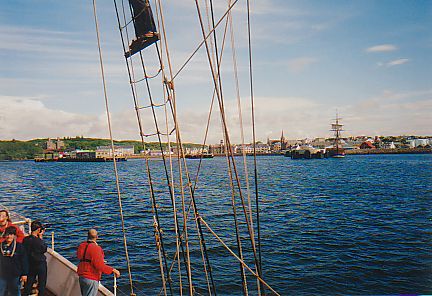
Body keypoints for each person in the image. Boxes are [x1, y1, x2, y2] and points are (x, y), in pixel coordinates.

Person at [77, 229, 120, 296]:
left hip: (82, 276)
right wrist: (112, 270)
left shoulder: (81, 246)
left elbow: (81, 257)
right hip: (91, 277)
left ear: (87, 236)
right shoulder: (96, 248)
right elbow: (99, 266)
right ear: (97, 237)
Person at [0, 226, 28, 296]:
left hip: (15, 274)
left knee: (15, 291)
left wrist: (24, 274)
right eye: (7, 234)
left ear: (14, 236)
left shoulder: (19, 247)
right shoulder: (0, 246)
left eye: (11, 234)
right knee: (1, 291)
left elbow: (24, 261)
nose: (9, 236)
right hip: (2, 274)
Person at [22, 221, 47, 296]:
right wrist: (41, 237)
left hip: (30, 264)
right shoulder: (38, 241)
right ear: (39, 230)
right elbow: (44, 249)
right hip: (40, 264)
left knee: (29, 283)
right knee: (42, 284)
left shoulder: (26, 240)